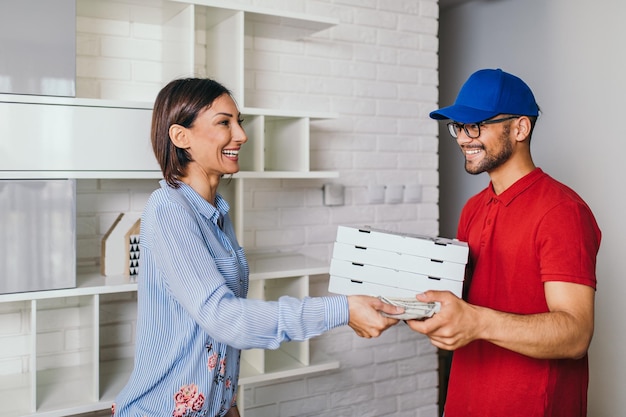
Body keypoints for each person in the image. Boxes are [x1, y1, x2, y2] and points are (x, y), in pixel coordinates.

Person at [111, 78, 403, 417]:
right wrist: (343, 309)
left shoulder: (216, 212)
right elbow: (224, 317)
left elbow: (217, 332)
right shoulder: (168, 208)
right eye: (224, 122)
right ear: (181, 137)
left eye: (239, 122)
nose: (241, 135)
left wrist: (228, 403)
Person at [406, 68, 601, 417]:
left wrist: (476, 322)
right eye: (458, 127)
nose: (463, 138)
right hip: (465, 400)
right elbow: (467, 302)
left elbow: (576, 334)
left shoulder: (561, 211)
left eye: (476, 125)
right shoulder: (473, 208)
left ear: (520, 128)